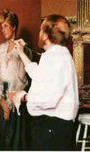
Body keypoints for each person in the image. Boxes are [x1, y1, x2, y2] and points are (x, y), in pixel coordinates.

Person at [9, 14, 79, 150]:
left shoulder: (56, 57)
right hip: (57, 127)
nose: (39, 33)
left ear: (46, 35)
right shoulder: (57, 55)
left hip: (52, 128)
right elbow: (39, 75)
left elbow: (49, 99)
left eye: (41, 30)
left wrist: (23, 97)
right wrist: (22, 53)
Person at [0, 9, 28, 150]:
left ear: (14, 27)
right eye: (2, 27)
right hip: (4, 95)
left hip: (16, 99)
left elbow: (22, 79)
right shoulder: (2, 48)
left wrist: (10, 103)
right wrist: (1, 99)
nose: (3, 30)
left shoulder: (22, 46)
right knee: (5, 137)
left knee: (15, 139)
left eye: (5, 26)